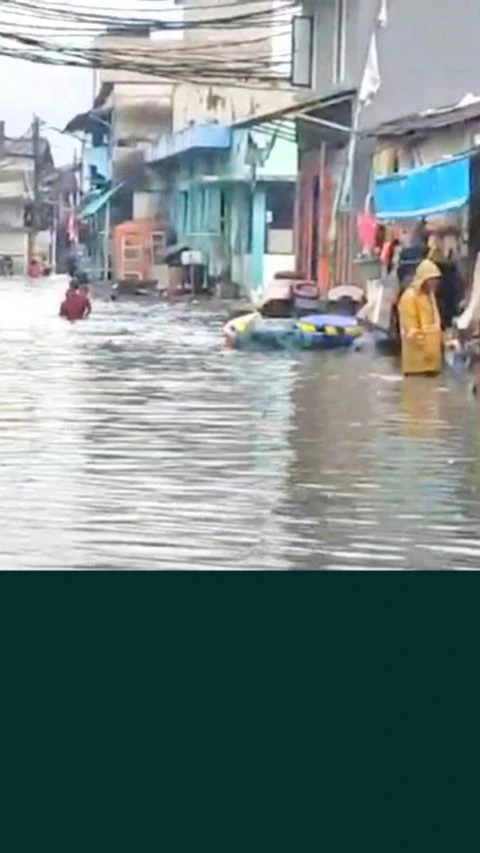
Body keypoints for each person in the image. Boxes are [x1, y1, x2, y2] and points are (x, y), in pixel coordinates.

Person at [397, 259, 443, 376]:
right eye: (432, 280)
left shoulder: (430, 297)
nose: (435, 283)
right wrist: (427, 349)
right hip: (416, 366)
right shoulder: (409, 297)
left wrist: (444, 341)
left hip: (432, 364)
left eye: (436, 280)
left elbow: (435, 324)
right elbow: (411, 330)